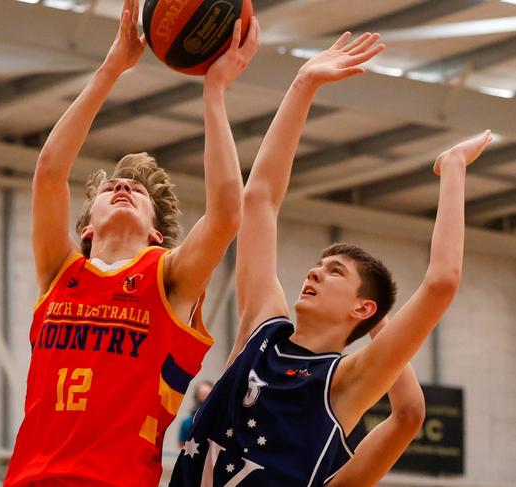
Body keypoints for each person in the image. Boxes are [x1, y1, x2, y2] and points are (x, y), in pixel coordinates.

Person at [170, 30, 492, 486]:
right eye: (319, 265)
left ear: (362, 308)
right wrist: (303, 84)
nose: (315, 271)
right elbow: (259, 198)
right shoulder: (262, 328)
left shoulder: (345, 382)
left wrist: (453, 169)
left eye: (334, 271)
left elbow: (442, 281)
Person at [3, 0, 260, 484]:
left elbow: (227, 213)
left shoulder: (169, 278)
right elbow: (49, 173)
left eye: (136, 192)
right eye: (110, 189)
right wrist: (112, 68)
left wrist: (215, 91)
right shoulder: (61, 272)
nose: (122, 189)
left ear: (154, 235)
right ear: (87, 229)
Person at [179, 380, 214, 448]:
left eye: (208, 395)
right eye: (202, 395)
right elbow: (182, 446)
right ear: (197, 397)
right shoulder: (186, 423)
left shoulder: (219, 422)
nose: (205, 399)